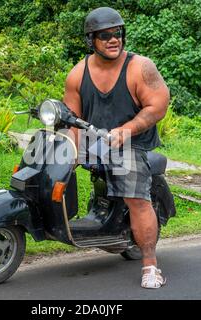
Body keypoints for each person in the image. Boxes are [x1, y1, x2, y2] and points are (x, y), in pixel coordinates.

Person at [63, 7, 170, 289]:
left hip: (132, 143)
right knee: (48, 159)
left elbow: (158, 105)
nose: (114, 39)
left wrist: (127, 130)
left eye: (118, 33)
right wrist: (69, 152)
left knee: (135, 197)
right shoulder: (78, 73)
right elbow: (72, 120)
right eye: (105, 35)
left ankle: (150, 265)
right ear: (91, 40)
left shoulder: (139, 67)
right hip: (97, 142)